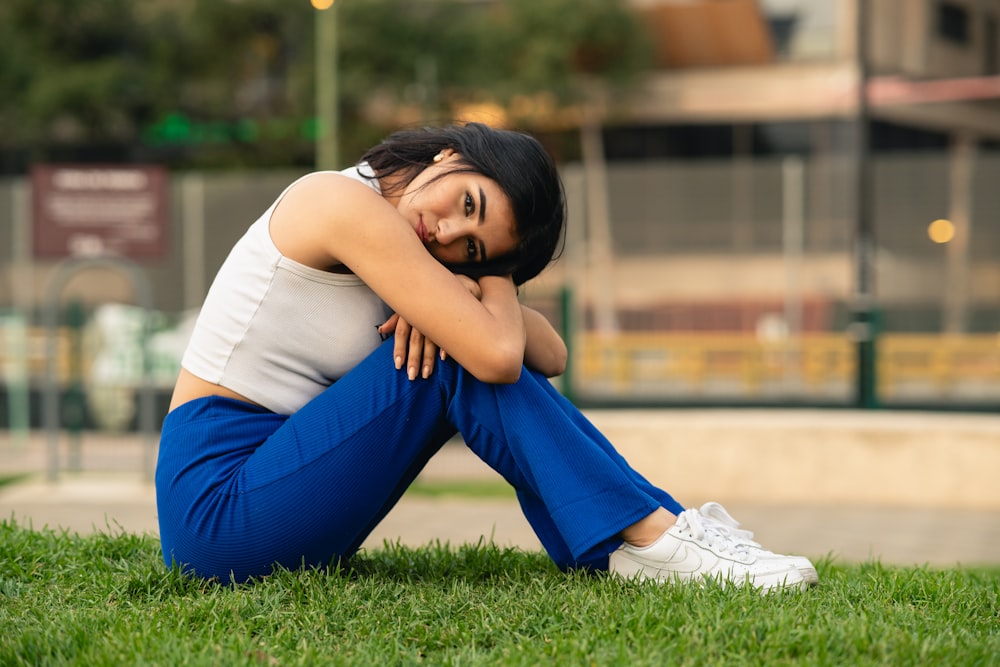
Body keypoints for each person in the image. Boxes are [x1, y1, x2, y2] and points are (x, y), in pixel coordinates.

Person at [156, 122, 817, 591]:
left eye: (471, 245)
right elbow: (500, 355)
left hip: (283, 490)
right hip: (220, 504)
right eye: (466, 203)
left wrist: (478, 281)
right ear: (452, 152)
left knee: (455, 345)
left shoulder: (416, 252)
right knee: (451, 356)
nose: (446, 231)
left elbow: (549, 351)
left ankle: (644, 537)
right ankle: (651, 535)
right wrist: (484, 284)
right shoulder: (337, 201)